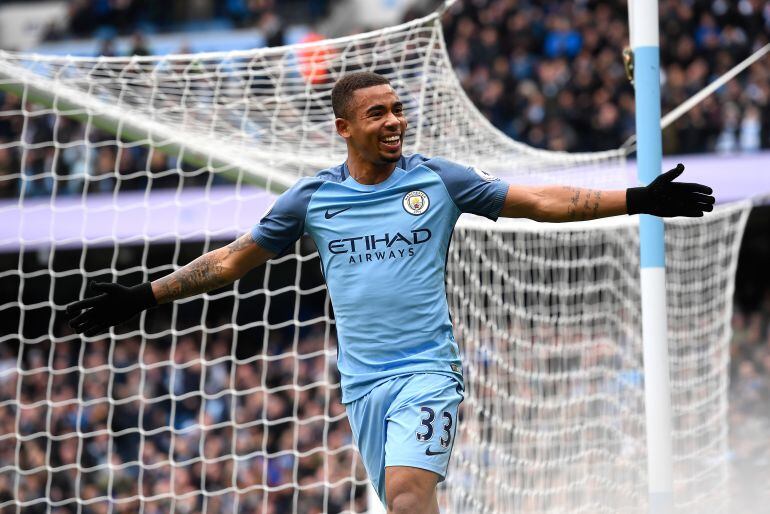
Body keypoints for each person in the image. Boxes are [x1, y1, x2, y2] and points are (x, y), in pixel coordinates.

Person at [65, 72, 714, 513]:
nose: (394, 122)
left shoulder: (438, 179)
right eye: (378, 114)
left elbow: (540, 200)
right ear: (344, 128)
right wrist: (143, 297)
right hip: (363, 384)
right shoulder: (313, 198)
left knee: (404, 495)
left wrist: (638, 198)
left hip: (425, 373)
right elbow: (234, 261)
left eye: (398, 110)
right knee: (405, 502)